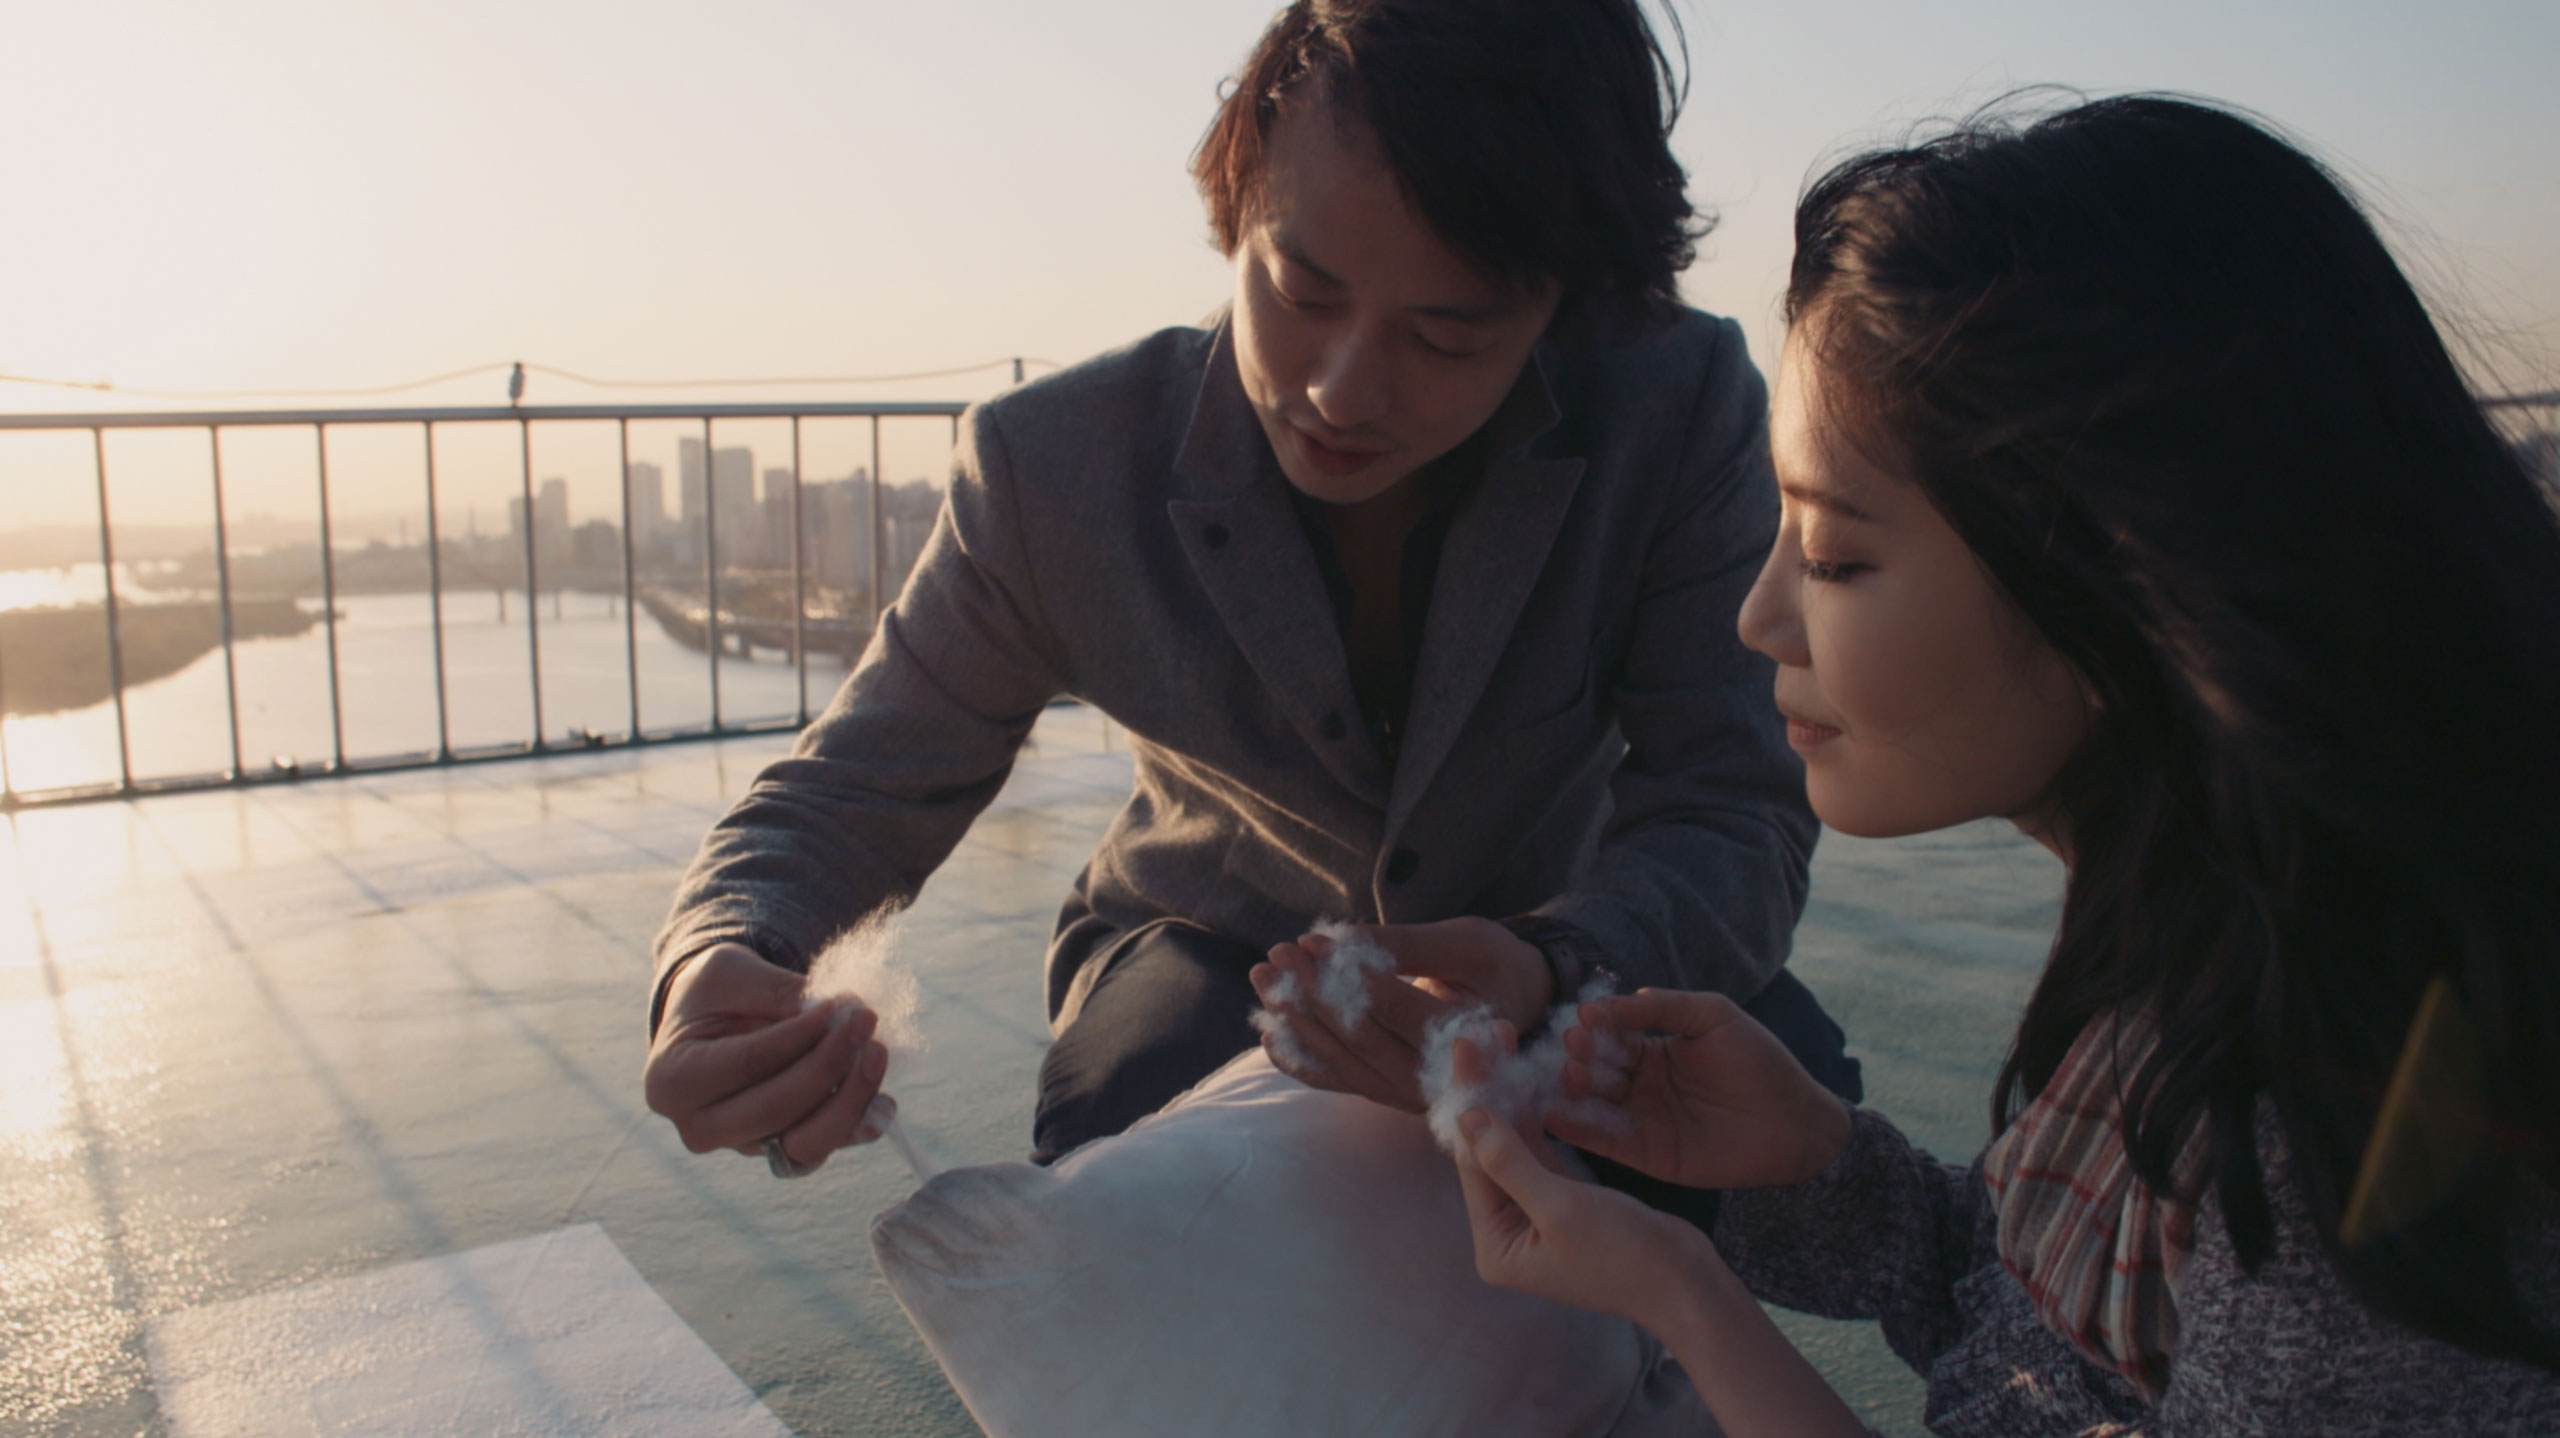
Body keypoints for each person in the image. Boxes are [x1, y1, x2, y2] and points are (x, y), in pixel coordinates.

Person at [1448, 95, 2560, 1434]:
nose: (1760, 616)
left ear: (2113, 576)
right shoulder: (2211, 941)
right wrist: (1826, 1165)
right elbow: (2076, 1350)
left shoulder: (2350, 1154)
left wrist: (1687, 1297)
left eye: (1837, 553)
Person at [641, 0, 1858, 1180]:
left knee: (1781, 1111)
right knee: (1139, 1136)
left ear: (1566, 308)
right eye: (1300, 291)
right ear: (1236, 212)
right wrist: (721, 955)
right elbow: (860, 780)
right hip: (1207, 944)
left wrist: (1554, 960)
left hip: (1566, 938)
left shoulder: (1673, 405)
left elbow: (1733, 806)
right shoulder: (1052, 466)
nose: (1338, 388)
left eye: (1442, 339)